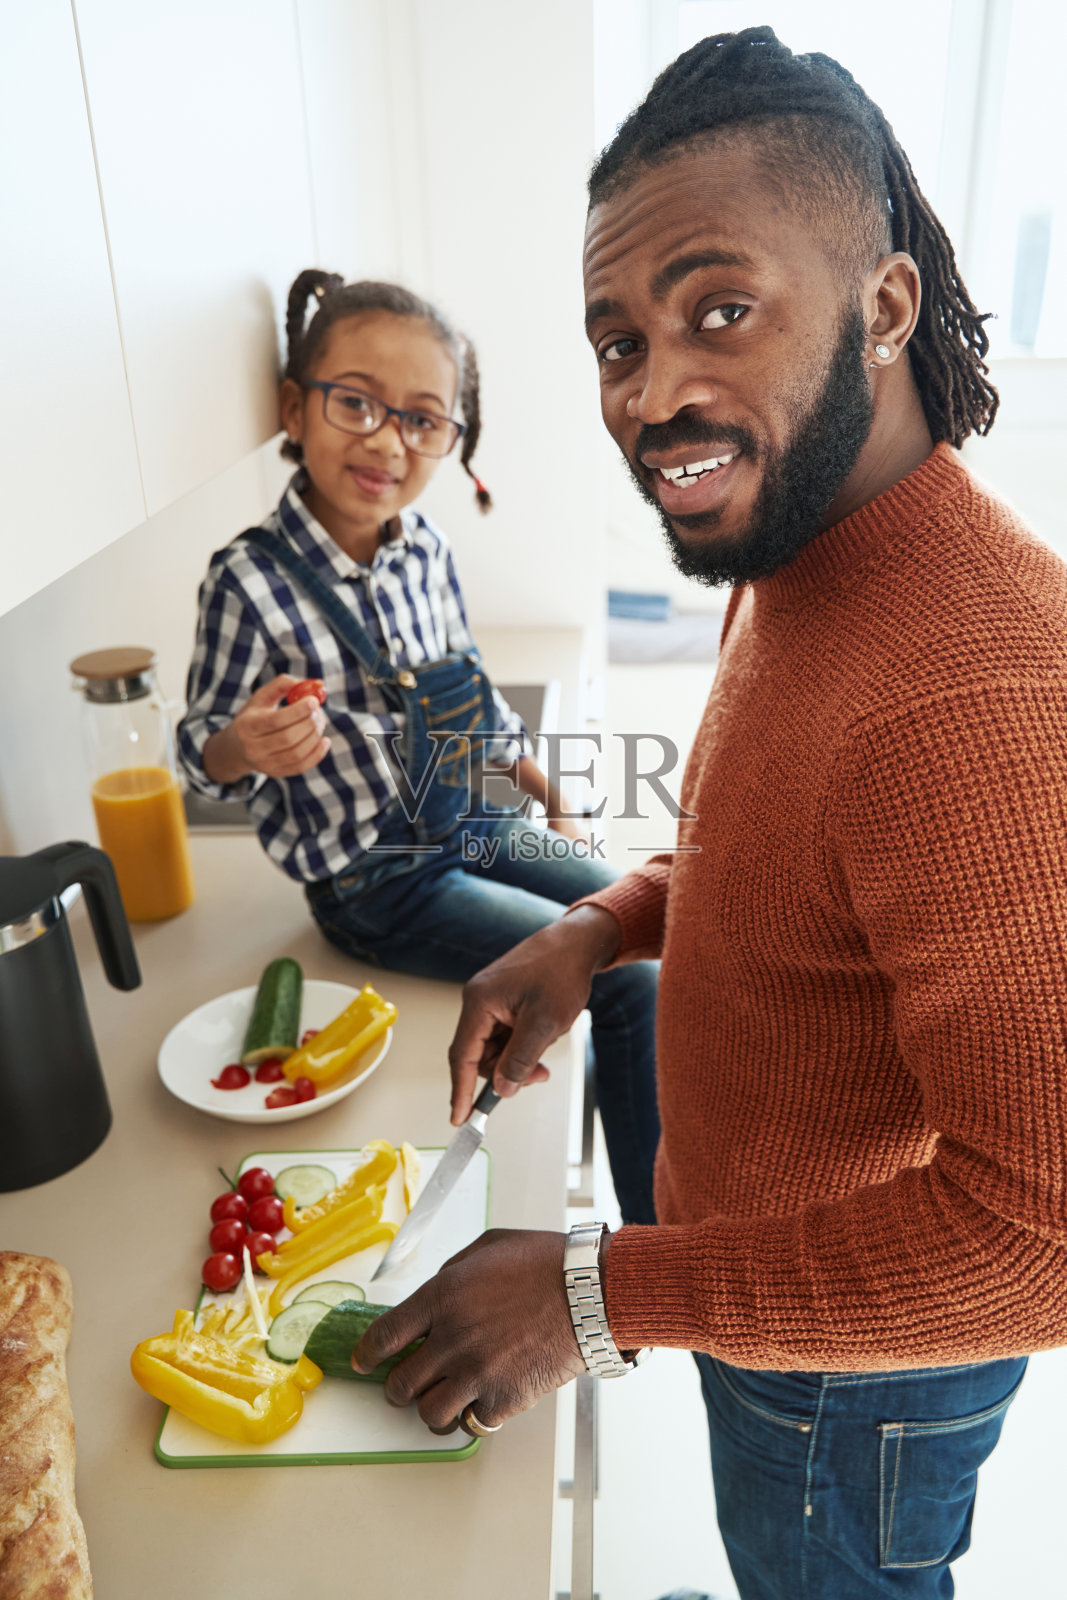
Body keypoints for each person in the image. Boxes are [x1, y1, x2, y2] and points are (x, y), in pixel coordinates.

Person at [350, 29, 1067, 1600]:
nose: (652, 393)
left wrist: (594, 1297)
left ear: (881, 309)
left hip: (850, 1379)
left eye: (718, 311)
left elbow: (1041, 1242)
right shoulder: (800, 548)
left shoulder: (977, 698)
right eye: (616, 340)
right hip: (759, 1270)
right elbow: (768, 850)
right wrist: (602, 925)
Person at [177, 270, 659, 1226]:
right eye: (355, 402)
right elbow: (196, 756)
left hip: (470, 821)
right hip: (380, 886)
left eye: (423, 419)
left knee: (635, 918)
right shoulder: (246, 581)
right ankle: (654, 1239)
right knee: (627, 977)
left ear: (449, 440)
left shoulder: (425, 551)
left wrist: (539, 782)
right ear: (294, 408)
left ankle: (657, 1187)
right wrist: (244, 742)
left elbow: (468, 687)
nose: (387, 439)